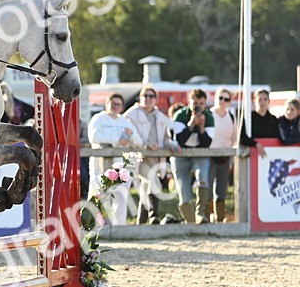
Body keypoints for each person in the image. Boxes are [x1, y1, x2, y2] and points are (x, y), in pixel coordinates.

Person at [124, 86, 179, 225]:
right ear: (140, 98)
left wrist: (171, 145)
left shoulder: (160, 116)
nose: (148, 98)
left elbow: (166, 137)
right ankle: (154, 215)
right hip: (138, 159)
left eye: (151, 96)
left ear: (155, 99)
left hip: (155, 158)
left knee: (146, 188)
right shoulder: (131, 114)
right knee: (154, 181)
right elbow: (128, 135)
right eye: (145, 96)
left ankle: (141, 223)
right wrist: (146, 145)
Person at [87, 93, 141, 225]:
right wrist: (117, 139)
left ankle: (119, 227)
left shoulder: (125, 122)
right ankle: (91, 226)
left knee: (121, 197)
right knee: (97, 194)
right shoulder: (98, 119)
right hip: (99, 164)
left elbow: (139, 142)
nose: (116, 107)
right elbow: (94, 137)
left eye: (119, 104)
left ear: (122, 107)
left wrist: (130, 134)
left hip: (121, 166)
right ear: (107, 103)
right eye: (113, 103)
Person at [172, 89, 214, 224]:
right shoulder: (180, 115)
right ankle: (190, 221)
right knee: (183, 188)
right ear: (189, 102)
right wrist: (190, 125)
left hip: (200, 154)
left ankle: (200, 214)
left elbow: (206, 144)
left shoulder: (209, 117)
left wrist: (201, 128)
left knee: (203, 178)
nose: (198, 106)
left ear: (205, 103)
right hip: (181, 155)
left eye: (201, 103)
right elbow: (179, 141)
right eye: (195, 103)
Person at [205, 87, 237, 224]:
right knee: (206, 187)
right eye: (220, 98)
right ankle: (205, 217)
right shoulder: (209, 114)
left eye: (226, 99)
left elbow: (234, 138)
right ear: (215, 98)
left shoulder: (231, 116)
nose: (223, 101)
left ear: (230, 101)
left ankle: (219, 218)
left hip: (225, 157)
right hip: (209, 156)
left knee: (222, 189)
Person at [238, 89, 281, 158]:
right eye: (259, 99)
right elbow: (241, 138)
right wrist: (256, 144)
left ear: (269, 102)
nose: (262, 102)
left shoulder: (273, 119)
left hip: (269, 156)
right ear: (254, 101)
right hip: (251, 156)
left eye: (265, 99)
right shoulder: (248, 118)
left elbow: (277, 138)